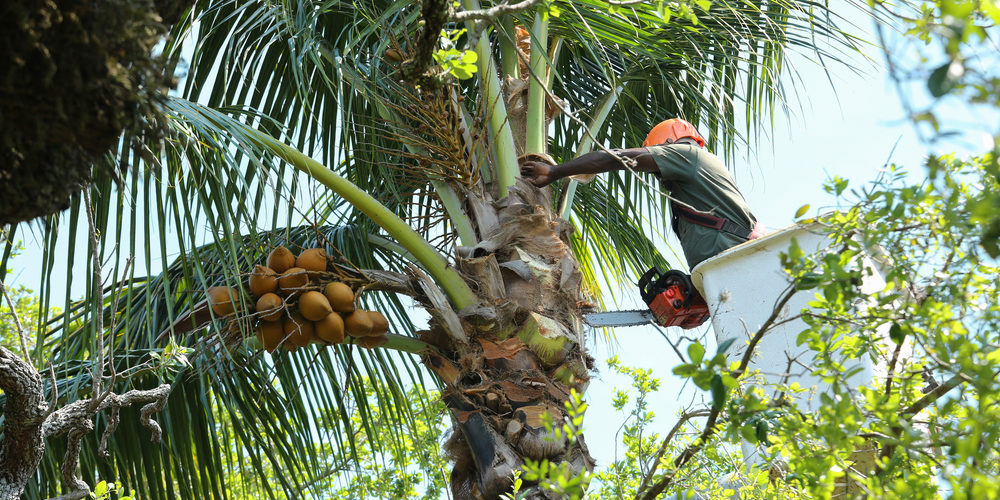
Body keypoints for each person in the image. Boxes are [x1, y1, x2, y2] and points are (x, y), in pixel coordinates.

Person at [520, 118, 764, 269]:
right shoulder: (695, 179)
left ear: (668, 145)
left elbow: (615, 158)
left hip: (735, 262)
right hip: (731, 265)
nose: (657, 175)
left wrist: (555, 172)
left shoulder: (687, 155)